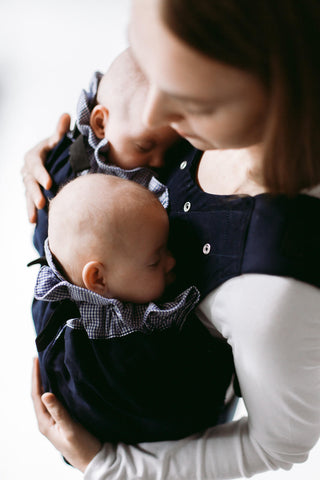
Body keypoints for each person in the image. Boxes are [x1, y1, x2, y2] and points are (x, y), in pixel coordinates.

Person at [25, 0, 320, 478]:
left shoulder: (274, 291)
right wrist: (59, 164)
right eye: (149, 57)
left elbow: (275, 446)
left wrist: (108, 465)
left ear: (274, 93)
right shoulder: (200, 115)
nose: (153, 110)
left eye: (191, 95)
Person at [34, 172, 209, 443]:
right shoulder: (115, 361)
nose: (172, 261)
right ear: (99, 279)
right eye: (155, 260)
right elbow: (184, 409)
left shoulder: (78, 258)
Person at [32, 47, 179, 255]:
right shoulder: (71, 167)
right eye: (144, 146)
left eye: (170, 149)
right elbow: (45, 236)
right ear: (100, 124)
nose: (158, 161)